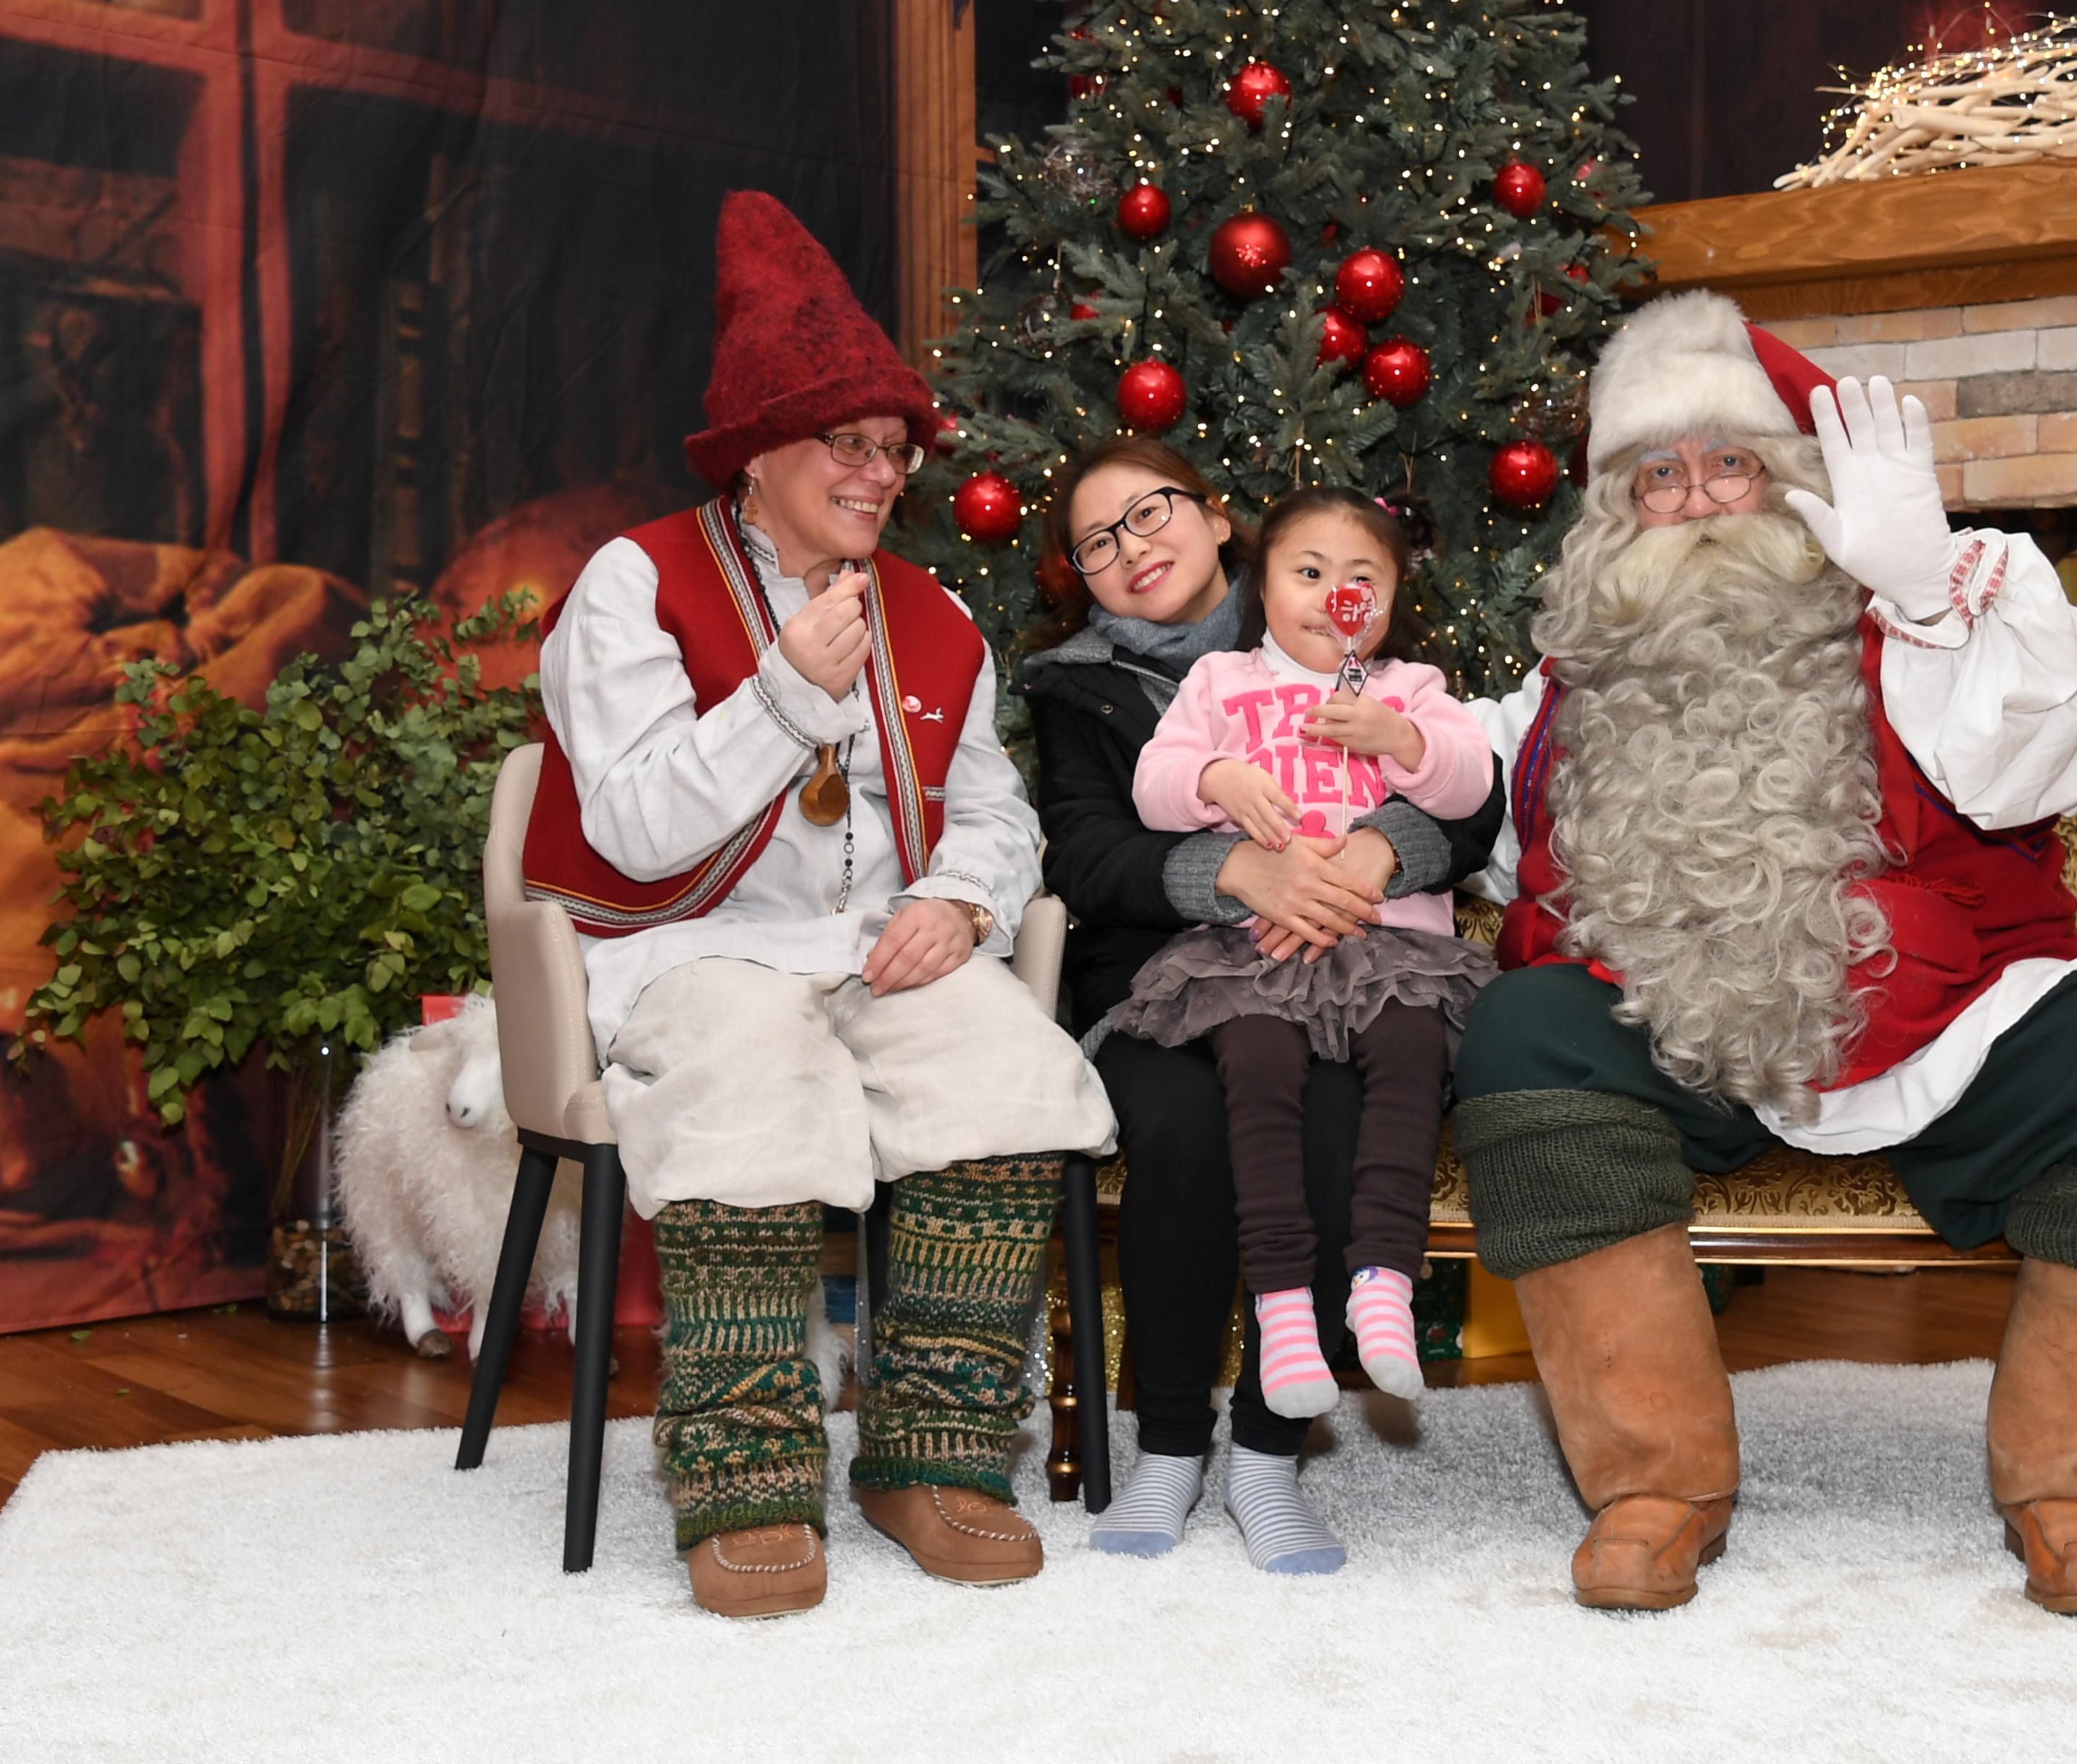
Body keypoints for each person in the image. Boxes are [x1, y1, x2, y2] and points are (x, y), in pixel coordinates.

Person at [1452, 291, 2077, 1615]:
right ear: (1614, 511)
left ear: (1796, 483)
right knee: (1525, 1034)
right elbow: (1457, 801)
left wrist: (1930, 592)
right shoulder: (1562, 683)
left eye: (1731, 463)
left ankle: (2072, 1487)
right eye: (1659, 474)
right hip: (1675, 1028)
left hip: (1945, 1024)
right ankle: (1654, 1484)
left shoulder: (1934, 606)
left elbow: (2051, 750)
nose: (1700, 499)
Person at [524, 191, 1115, 1617]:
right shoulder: (635, 584)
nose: (879, 470)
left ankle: (931, 1453)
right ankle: (743, 1474)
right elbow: (639, 820)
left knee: (1016, 1070)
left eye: (894, 446)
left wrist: (967, 902)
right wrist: (788, 691)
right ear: (760, 451)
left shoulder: (938, 616)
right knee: (755, 1071)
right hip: (683, 950)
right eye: (847, 442)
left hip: (871, 951)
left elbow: (993, 811)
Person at [1018, 441, 1503, 1574]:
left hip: (1355, 945)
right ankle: (1174, 1449)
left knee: (1339, 1115)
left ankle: (1270, 1458)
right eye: (1098, 541)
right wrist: (1235, 872)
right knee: (1185, 1132)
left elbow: (1468, 808)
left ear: (1218, 518)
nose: (1132, 548)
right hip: (1169, 977)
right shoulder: (1081, 688)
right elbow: (1087, 853)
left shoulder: (1347, 641)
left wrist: (1377, 855)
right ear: (1077, 575)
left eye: (1151, 514)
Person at [1110, 489, 1497, 1419]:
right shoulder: (1220, 684)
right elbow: (1154, 788)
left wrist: (1401, 741)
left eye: (1361, 577)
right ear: (1265, 585)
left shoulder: (1409, 687)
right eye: (1308, 573)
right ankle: (1283, 1306)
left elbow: (1471, 783)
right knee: (1256, 1071)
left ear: (1394, 595)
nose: (1333, 595)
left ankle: (1384, 1282)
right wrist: (1217, 776)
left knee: (1409, 1061)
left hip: (1389, 946)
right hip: (1256, 948)